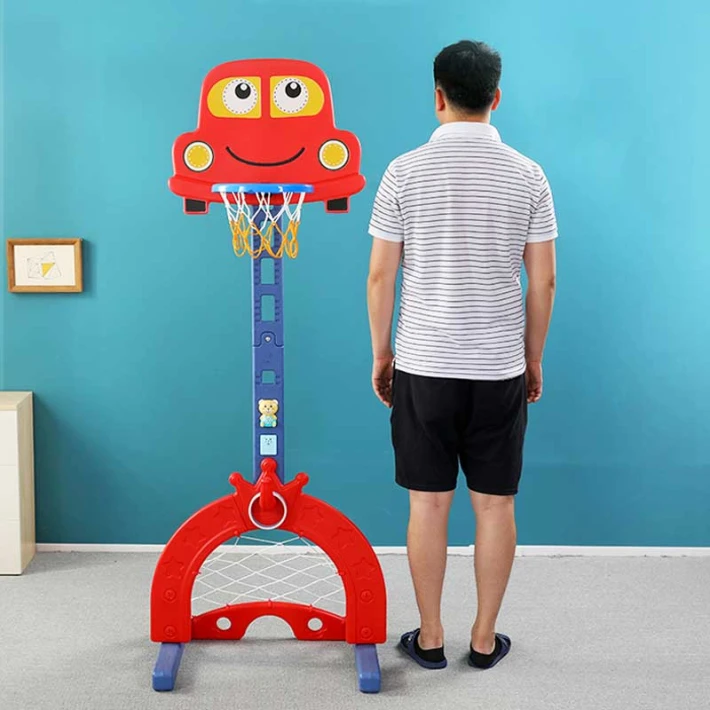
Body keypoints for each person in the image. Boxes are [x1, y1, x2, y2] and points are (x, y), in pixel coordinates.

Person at [367, 40, 558, 670]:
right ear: (496, 97)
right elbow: (543, 281)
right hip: (498, 367)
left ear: (438, 96)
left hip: (423, 364)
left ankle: (429, 637)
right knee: (495, 505)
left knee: (427, 503)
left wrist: (383, 353)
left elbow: (381, 277)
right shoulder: (528, 175)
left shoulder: (403, 172)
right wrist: (532, 358)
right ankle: (482, 638)